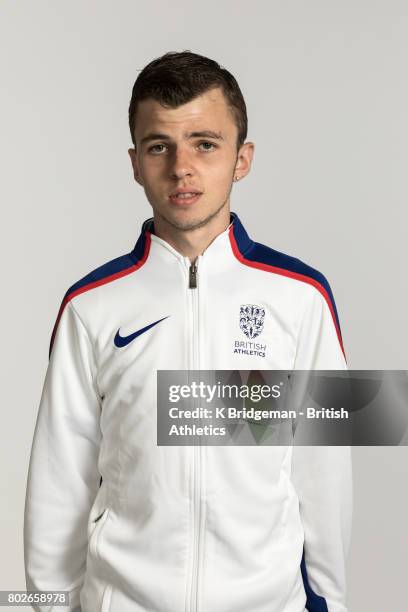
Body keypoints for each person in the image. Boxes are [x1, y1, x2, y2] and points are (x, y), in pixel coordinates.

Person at [24, 50, 352, 612]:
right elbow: (59, 485)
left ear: (241, 158)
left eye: (205, 143)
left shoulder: (302, 297)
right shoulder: (90, 306)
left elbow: (323, 475)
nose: (182, 167)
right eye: (160, 146)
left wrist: (332, 603)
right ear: (134, 162)